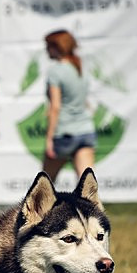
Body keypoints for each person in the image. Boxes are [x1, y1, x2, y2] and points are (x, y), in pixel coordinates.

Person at [42, 29, 97, 183]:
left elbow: (55, 107)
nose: (46, 51)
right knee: (87, 187)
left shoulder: (56, 71)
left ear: (56, 47)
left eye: (47, 46)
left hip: (64, 133)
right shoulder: (80, 68)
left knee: (44, 185)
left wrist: (49, 139)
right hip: (85, 130)